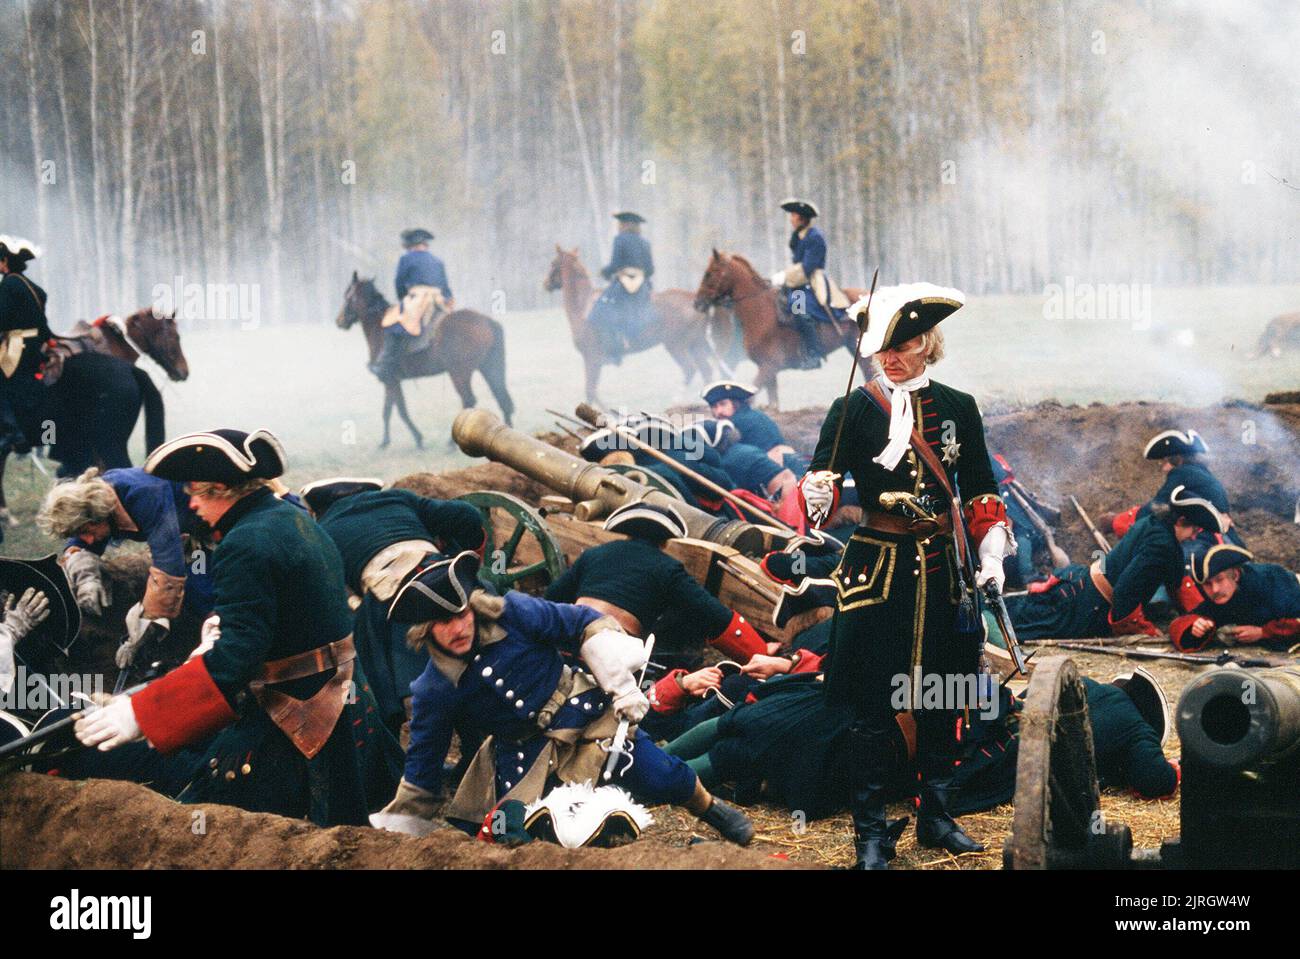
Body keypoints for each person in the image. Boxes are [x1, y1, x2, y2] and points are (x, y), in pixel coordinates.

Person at [798, 282, 1008, 869]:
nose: (891, 357)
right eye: (882, 347)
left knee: (943, 694)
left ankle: (936, 817)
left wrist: (991, 555)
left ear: (928, 344)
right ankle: (869, 834)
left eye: (905, 344)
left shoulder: (959, 407)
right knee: (871, 705)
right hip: (877, 572)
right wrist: (817, 493)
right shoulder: (853, 408)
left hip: (945, 572)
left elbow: (983, 489)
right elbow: (821, 484)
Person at [72, 428, 378, 827]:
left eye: (197, 492)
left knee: (215, 815)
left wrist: (142, 714)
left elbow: (238, 656)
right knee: (339, 828)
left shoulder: (244, 544)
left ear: (222, 490)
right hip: (339, 692)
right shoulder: (288, 517)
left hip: (297, 709)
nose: (191, 503)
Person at [369, 550, 755, 845]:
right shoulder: (433, 689)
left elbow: (581, 623)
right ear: (424, 630)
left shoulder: (515, 613)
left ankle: (711, 809)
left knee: (661, 774)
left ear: (471, 606)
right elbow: (423, 766)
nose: (457, 628)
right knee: (518, 833)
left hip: (586, 718)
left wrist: (619, 680)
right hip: (523, 759)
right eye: (442, 622)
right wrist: (401, 833)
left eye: (460, 614)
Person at [301, 476, 487, 736]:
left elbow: (328, 598)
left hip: (391, 599)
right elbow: (466, 515)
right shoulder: (399, 498)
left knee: (372, 676)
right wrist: (467, 559)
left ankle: (392, 733)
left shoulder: (321, 531)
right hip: (443, 574)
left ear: (318, 509)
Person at [544, 501, 770, 666]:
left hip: (567, 635)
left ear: (628, 532)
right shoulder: (668, 568)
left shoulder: (594, 553)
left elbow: (554, 595)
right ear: (665, 541)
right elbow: (713, 615)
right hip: (613, 648)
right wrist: (760, 653)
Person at [36, 467, 214, 667]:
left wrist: (141, 630)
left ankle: (220, 647)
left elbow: (168, 571)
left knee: (202, 594)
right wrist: (84, 574)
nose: (87, 538)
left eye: (86, 530)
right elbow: (80, 543)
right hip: (184, 530)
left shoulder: (144, 497)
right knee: (195, 589)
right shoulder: (97, 503)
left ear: (99, 514)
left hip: (209, 527)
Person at [1006, 484, 1227, 640]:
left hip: (1081, 586)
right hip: (1088, 605)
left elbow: (1175, 579)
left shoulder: (1155, 524)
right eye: (1195, 530)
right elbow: (1124, 595)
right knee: (1017, 623)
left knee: (1018, 611)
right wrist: (1144, 629)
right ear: (1180, 521)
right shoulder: (1163, 545)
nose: (1195, 536)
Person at [1168, 544, 1300, 652]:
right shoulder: (1217, 598)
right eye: (1207, 583)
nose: (1215, 589)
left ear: (1235, 575)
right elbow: (1178, 625)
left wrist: (1263, 632)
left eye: (1220, 580)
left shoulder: (1272, 580)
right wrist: (1196, 627)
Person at [769, 199, 850, 369]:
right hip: (798, 282)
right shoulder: (798, 236)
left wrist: (785, 276)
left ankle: (814, 354)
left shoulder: (815, 237)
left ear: (803, 218)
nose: (791, 218)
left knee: (799, 311)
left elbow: (807, 268)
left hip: (812, 282)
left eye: (794, 215)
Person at [370, 228, 453, 382]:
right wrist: (448, 301)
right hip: (439, 301)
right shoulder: (438, 261)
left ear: (411, 245)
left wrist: (403, 298)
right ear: (424, 244)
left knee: (392, 323)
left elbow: (399, 283)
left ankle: (385, 366)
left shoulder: (406, 259)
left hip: (418, 300)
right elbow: (446, 287)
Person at [0, 235, 53, 458]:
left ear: (5, 261)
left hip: (16, 346)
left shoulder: (9, 284)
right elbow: (43, 324)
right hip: (33, 347)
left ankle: (12, 433)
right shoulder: (34, 288)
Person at [587, 211, 655, 363]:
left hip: (624, 284)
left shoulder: (620, 240)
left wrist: (605, 272)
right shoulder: (645, 243)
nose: (619, 226)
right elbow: (650, 269)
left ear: (626, 225)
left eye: (620, 223)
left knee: (601, 308)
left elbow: (616, 264)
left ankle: (614, 351)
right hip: (643, 285)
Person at [702, 380, 807, 474]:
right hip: (790, 463)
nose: (718, 411)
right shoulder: (753, 414)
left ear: (735, 403)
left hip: (785, 468)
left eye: (723, 404)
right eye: (714, 407)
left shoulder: (738, 422)